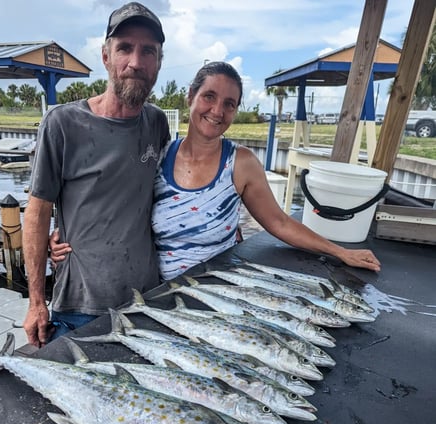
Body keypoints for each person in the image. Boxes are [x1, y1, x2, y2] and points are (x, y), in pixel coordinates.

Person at [51, 62, 381, 287]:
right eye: (209, 96)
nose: (217, 111)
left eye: (229, 104)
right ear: (190, 96)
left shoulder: (241, 162)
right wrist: (64, 235)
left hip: (219, 294)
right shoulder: (159, 155)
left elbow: (279, 222)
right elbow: (112, 205)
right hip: (160, 296)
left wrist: (339, 251)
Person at [22, 2, 170, 347]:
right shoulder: (62, 123)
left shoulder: (157, 123)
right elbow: (38, 210)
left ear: (159, 63)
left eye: (148, 51)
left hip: (146, 301)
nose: (135, 62)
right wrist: (35, 302)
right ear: (106, 57)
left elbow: (170, 190)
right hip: (80, 304)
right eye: (124, 49)